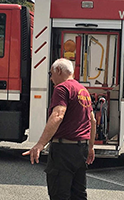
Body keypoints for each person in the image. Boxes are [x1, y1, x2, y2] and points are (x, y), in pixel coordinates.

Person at [23, 58, 96, 199]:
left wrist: (40, 144)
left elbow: (58, 115)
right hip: (81, 150)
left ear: (58, 70)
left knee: (59, 194)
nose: (51, 78)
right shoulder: (83, 90)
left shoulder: (62, 89)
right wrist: (91, 147)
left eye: (51, 73)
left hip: (63, 151)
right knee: (79, 195)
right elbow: (92, 120)